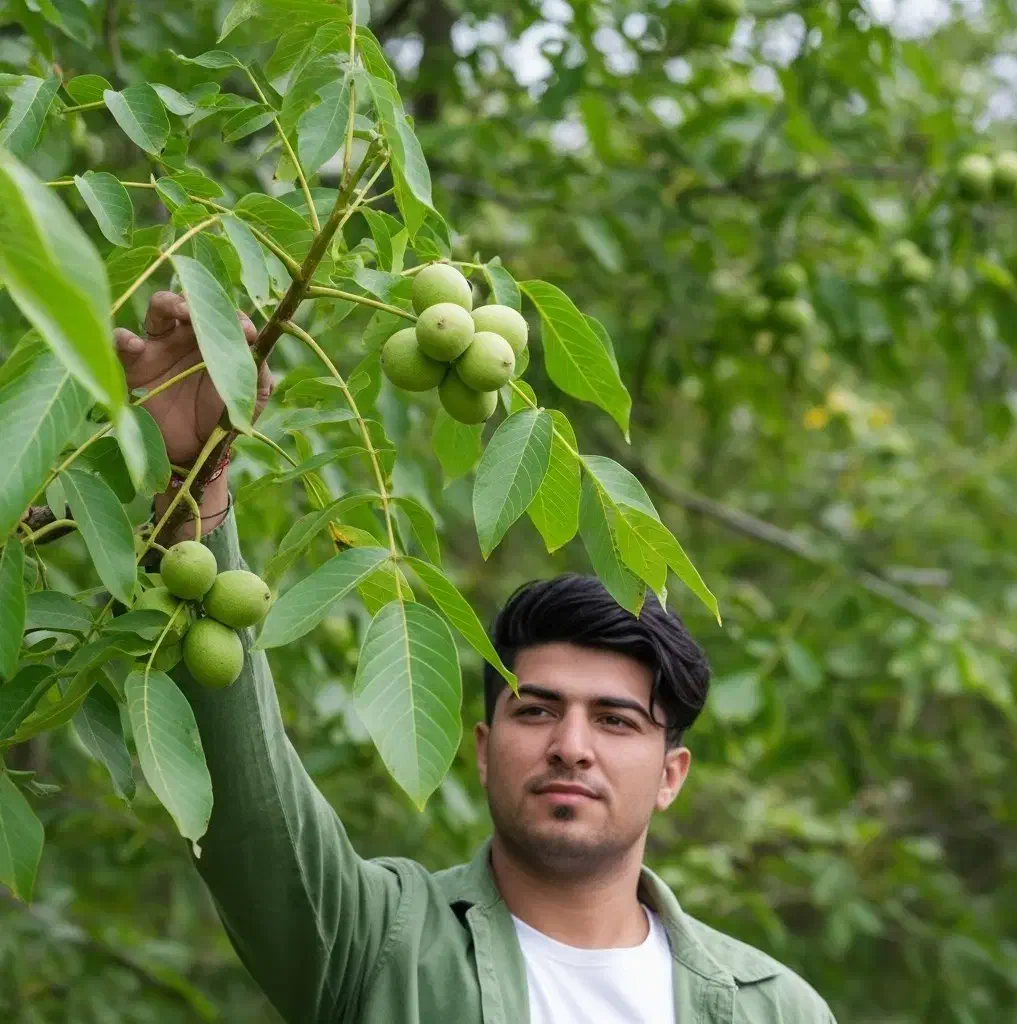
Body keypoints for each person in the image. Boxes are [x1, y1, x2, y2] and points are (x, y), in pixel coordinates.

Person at [115, 291, 837, 1023]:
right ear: (485, 750)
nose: (571, 748)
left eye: (616, 721)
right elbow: (251, 808)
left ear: (671, 775)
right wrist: (194, 482)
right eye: (538, 709)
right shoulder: (377, 941)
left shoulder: (776, 1009)